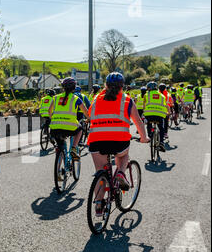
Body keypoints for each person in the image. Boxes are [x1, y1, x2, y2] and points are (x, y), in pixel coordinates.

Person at [87, 72, 149, 217]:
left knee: (100, 171)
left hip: (96, 140)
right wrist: (143, 137)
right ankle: (121, 172)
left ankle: (98, 205)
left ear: (105, 86)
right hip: (118, 140)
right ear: (122, 86)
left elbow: (91, 116)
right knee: (123, 156)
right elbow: (138, 121)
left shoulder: (96, 98)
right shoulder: (127, 100)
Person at [48, 78, 89, 161]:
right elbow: (86, 112)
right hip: (71, 127)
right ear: (74, 88)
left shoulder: (55, 98)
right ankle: (73, 148)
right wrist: (89, 119)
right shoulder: (76, 98)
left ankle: (59, 170)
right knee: (80, 129)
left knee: (60, 148)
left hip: (54, 128)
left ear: (63, 87)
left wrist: (54, 119)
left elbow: (49, 111)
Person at [143, 81, 168, 152]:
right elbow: (165, 105)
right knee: (161, 127)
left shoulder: (146, 95)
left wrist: (144, 112)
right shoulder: (162, 96)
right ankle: (161, 142)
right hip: (160, 115)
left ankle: (150, 137)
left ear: (148, 88)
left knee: (149, 124)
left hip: (149, 114)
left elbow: (144, 105)